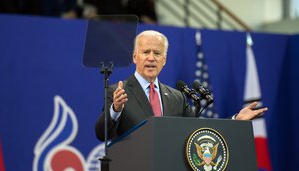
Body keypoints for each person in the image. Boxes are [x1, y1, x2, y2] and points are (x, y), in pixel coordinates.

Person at [95, 30, 268, 141]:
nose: (151, 58)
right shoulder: (118, 92)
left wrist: (235, 120)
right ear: (135, 57)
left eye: (157, 53)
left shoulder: (176, 97)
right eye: (146, 52)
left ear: (164, 60)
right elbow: (101, 134)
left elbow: (200, 130)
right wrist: (115, 109)